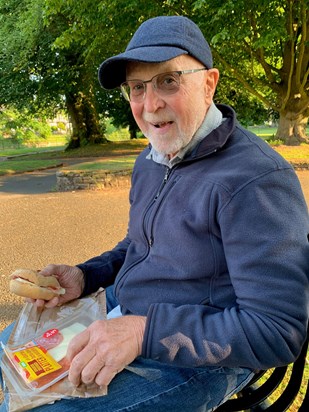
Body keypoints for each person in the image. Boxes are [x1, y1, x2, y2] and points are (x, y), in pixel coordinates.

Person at [1, 15, 309, 412]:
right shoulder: (153, 157)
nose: (150, 105)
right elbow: (140, 245)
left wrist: (143, 333)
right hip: (123, 310)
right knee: (8, 363)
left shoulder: (256, 180)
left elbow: (277, 331)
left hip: (199, 358)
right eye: (137, 88)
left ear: (209, 83)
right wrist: (86, 275)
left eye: (168, 80)